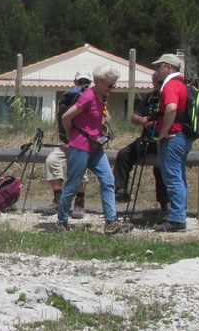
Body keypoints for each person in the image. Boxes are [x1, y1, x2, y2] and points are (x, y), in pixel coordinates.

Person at [55, 66, 132, 234]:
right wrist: (70, 136)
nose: (112, 88)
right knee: (73, 184)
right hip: (80, 146)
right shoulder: (88, 96)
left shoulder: (102, 96)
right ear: (98, 82)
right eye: (110, 85)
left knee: (108, 180)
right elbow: (66, 116)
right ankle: (62, 221)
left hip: (95, 146)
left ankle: (111, 221)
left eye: (114, 85)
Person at [113, 70, 169, 216]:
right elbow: (134, 118)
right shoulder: (150, 97)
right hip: (146, 139)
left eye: (161, 82)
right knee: (123, 154)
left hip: (163, 141)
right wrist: (142, 120)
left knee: (159, 167)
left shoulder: (169, 96)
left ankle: (165, 203)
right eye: (156, 82)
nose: (158, 85)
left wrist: (158, 123)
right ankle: (121, 190)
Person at [41, 71, 91, 218]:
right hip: (65, 142)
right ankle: (59, 199)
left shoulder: (92, 99)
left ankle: (79, 203)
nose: (83, 85)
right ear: (75, 82)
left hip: (83, 144)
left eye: (85, 82)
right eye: (80, 81)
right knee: (51, 161)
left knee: (81, 172)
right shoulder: (67, 99)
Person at [152, 53, 193, 232]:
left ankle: (176, 219)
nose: (157, 70)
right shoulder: (183, 83)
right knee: (179, 176)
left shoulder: (170, 84)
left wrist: (163, 133)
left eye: (159, 66)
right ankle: (180, 213)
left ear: (167, 67)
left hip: (173, 137)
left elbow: (171, 108)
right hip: (182, 136)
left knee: (172, 177)